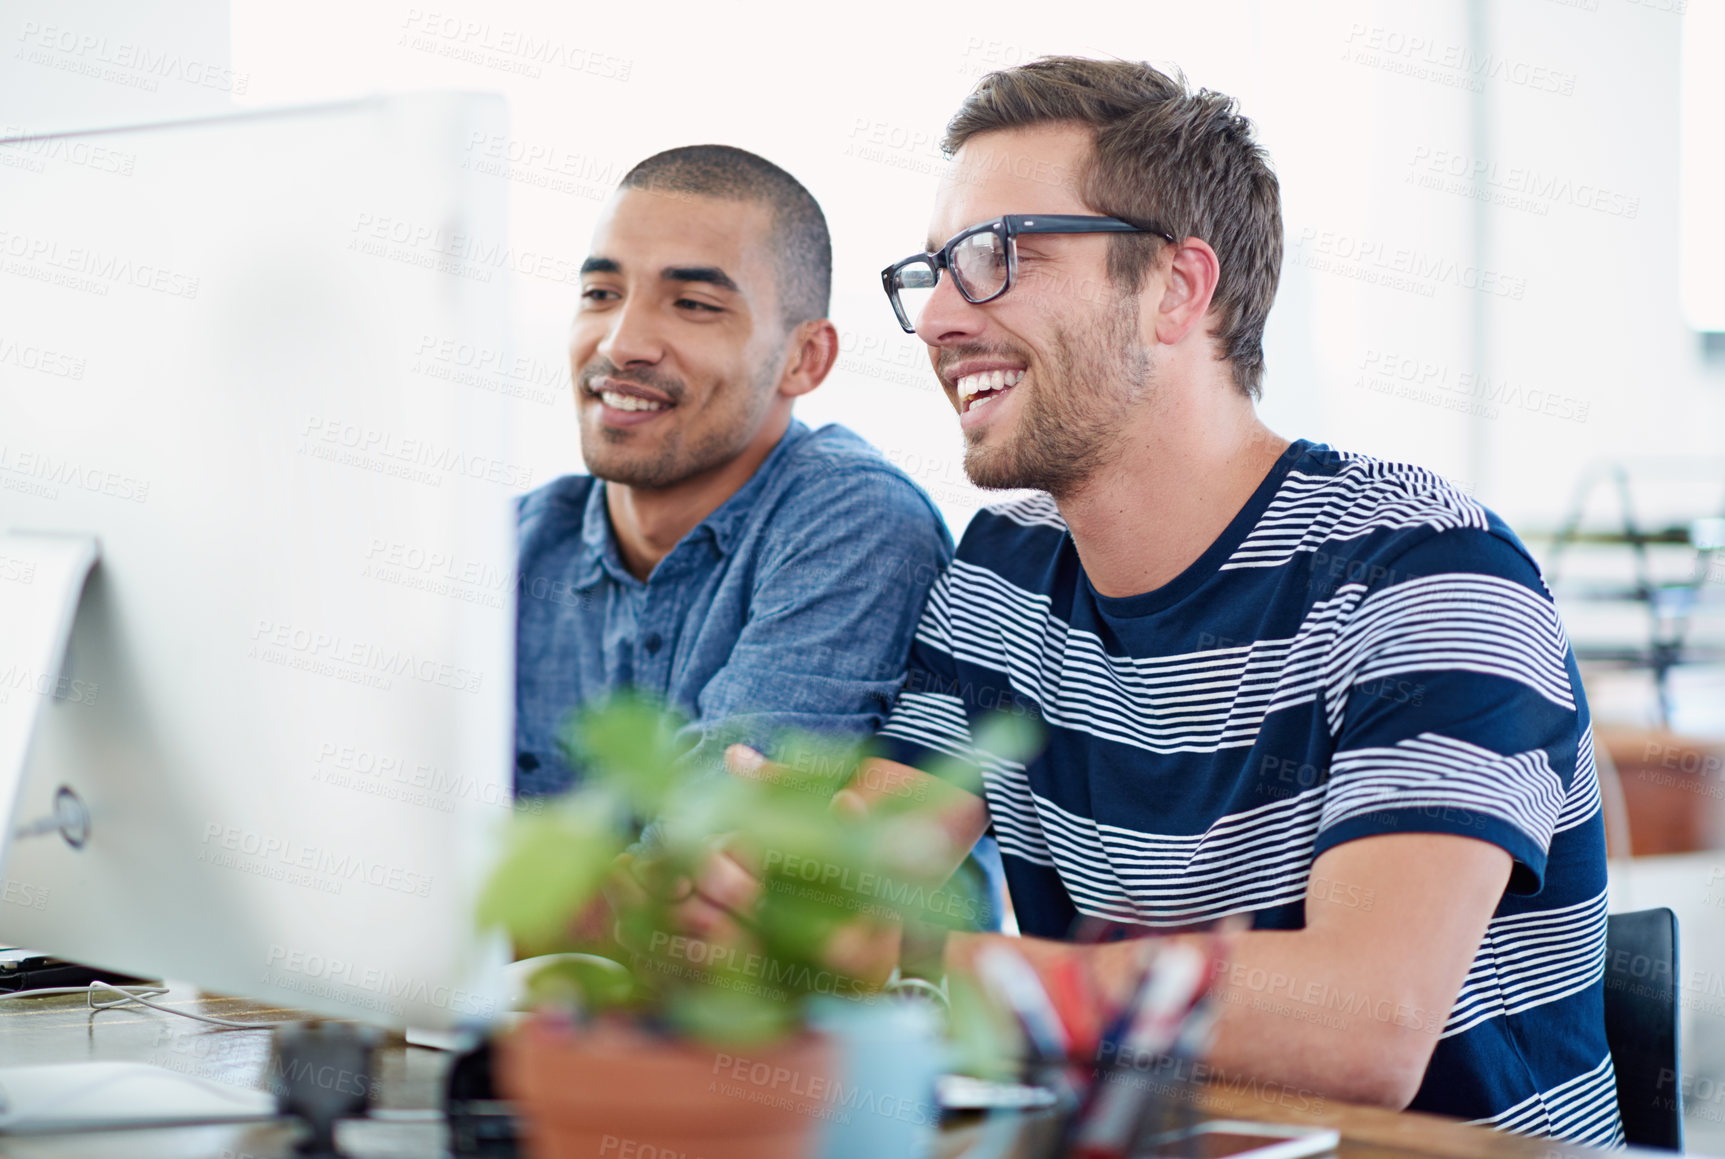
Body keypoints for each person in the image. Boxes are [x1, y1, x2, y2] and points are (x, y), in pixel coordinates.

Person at [684, 60, 1620, 1144]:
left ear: (1176, 288)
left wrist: (922, 960)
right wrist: (755, 869)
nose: (937, 317)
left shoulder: (1430, 573)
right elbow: (862, 875)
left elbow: (1364, 1025)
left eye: (998, 258)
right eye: (934, 271)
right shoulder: (1007, 573)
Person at [513, 145, 953, 798]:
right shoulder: (512, 540)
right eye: (600, 293)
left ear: (804, 357)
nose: (619, 343)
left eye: (691, 304)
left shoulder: (852, 522)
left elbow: (707, 863)